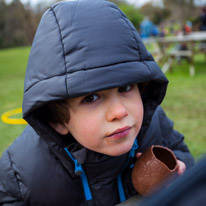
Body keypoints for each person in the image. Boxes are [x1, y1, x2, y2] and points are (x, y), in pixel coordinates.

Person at [0, 0, 194, 205]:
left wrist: (179, 171)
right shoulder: (24, 171)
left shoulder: (155, 125)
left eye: (126, 88)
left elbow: (184, 156)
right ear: (58, 120)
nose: (119, 111)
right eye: (91, 97)